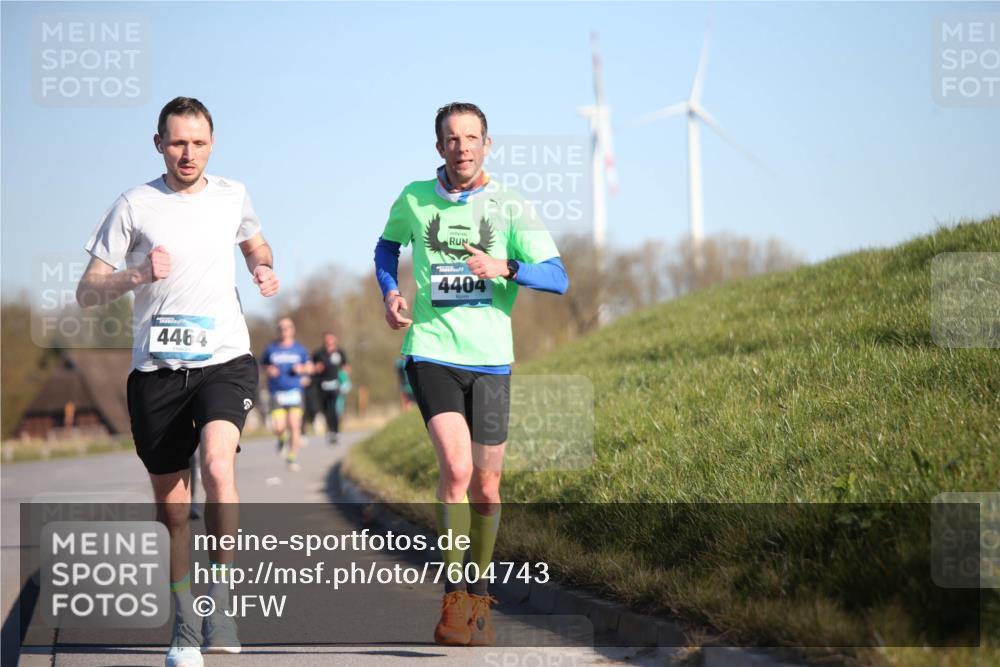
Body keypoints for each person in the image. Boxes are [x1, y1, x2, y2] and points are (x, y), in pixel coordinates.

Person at [76, 96, 279, 667]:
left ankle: (222, 597)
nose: (187, 153)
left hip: (225, 359)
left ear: (212, 143)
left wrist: (261, 264)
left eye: (197, 142)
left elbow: (254, 240)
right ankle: (184, 620)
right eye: (176, 142)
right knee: (172, 510)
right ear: (158, 143)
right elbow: (87, 291)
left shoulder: (232, 194)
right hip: (157, 374)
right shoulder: (134, 206)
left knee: (219, 465)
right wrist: (137, 274)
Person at [373, 102, 569, 646]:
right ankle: (455, 597)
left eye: (471, 137)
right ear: (439, 148)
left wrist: (505, 266)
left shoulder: (510, 205)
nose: (462, 147)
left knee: (487, 487)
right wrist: (391, 292)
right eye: (452, 139)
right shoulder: (414, 198)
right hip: (432, 351)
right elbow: (387, 246)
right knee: (457, 471)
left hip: (492, 360)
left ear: (487, 144)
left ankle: (479, 596)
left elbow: (558, 277)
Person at [260, 317, 312, 470]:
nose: (284, 330)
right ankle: (282, 438)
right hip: (277, 393)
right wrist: (269, 370)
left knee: (295, 425)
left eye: (287, 327)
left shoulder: (300, 349)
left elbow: (310, 367)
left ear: (292, 330)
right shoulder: (271, 349)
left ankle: (292, 457)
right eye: (281, 328)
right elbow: (263, 365)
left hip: (295, 391)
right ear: (278, 331)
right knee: (279, 427)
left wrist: (301, 370)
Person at [311, 332, 350, 443]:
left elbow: (345, 366)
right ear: (324, 341)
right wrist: (316, 368)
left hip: (335, 384)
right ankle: (329, 430)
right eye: (327, 339)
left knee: (334, 409)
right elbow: (311, 367)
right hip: (322, 385)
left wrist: (345, 376)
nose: (329, 341)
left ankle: (335, 431)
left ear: (335, 340)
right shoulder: (318, 354)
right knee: (325, 410)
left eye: (331, 339)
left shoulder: (340, 353)